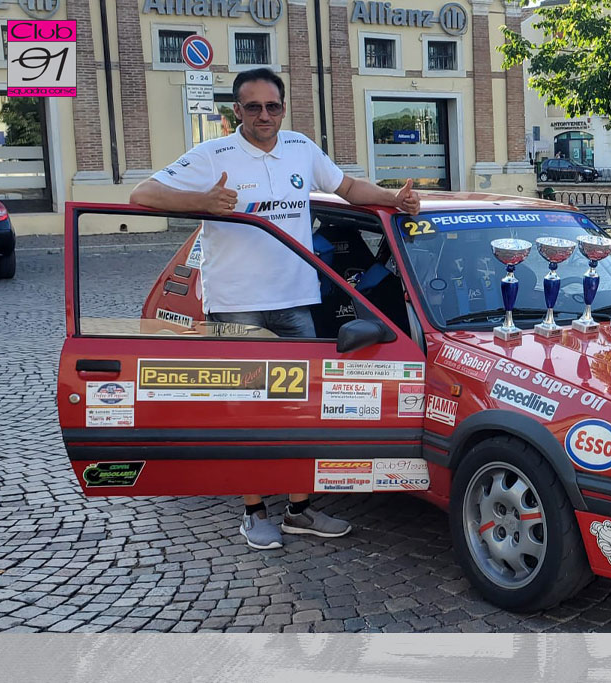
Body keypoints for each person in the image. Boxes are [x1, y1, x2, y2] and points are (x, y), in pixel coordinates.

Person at [129, 68, 421, 551]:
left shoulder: (301, 148)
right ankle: (253, 512)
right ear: (237, 112)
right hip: (237, 307)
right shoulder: (213, 154)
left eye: (273, 106)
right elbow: (142, 193)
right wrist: (203, 201)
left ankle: (299, 510)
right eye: (253, 107)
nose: (264, 115)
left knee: (299, 410)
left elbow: (348, 188)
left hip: (296, 301)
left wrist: (394, 198)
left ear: (283, 108)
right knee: (247, 414)